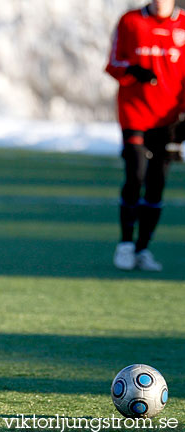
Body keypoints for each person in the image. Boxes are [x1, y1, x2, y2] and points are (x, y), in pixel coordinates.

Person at [105, 0, 185, 272]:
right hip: (135, 114)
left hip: (170, 120)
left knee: (156, 183)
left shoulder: (183, 24)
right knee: (135, 174)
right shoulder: (130, 21)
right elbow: (113, 63)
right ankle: (125, 244)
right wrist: (132, 70)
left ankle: (143, 248)